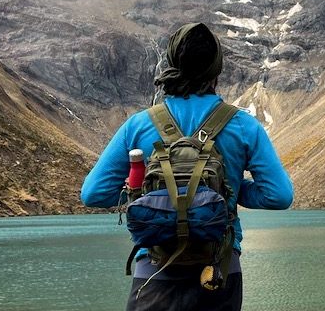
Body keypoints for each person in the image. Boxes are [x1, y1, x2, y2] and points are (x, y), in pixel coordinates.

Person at [81, 22, 294, 311]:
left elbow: (93, 194)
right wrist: (230, 191)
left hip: (153, 270)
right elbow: (279, 196)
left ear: (171, 65)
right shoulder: (243, 126)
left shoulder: (140, 124)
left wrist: (143, 195)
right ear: (216, 70)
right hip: (219, 271)